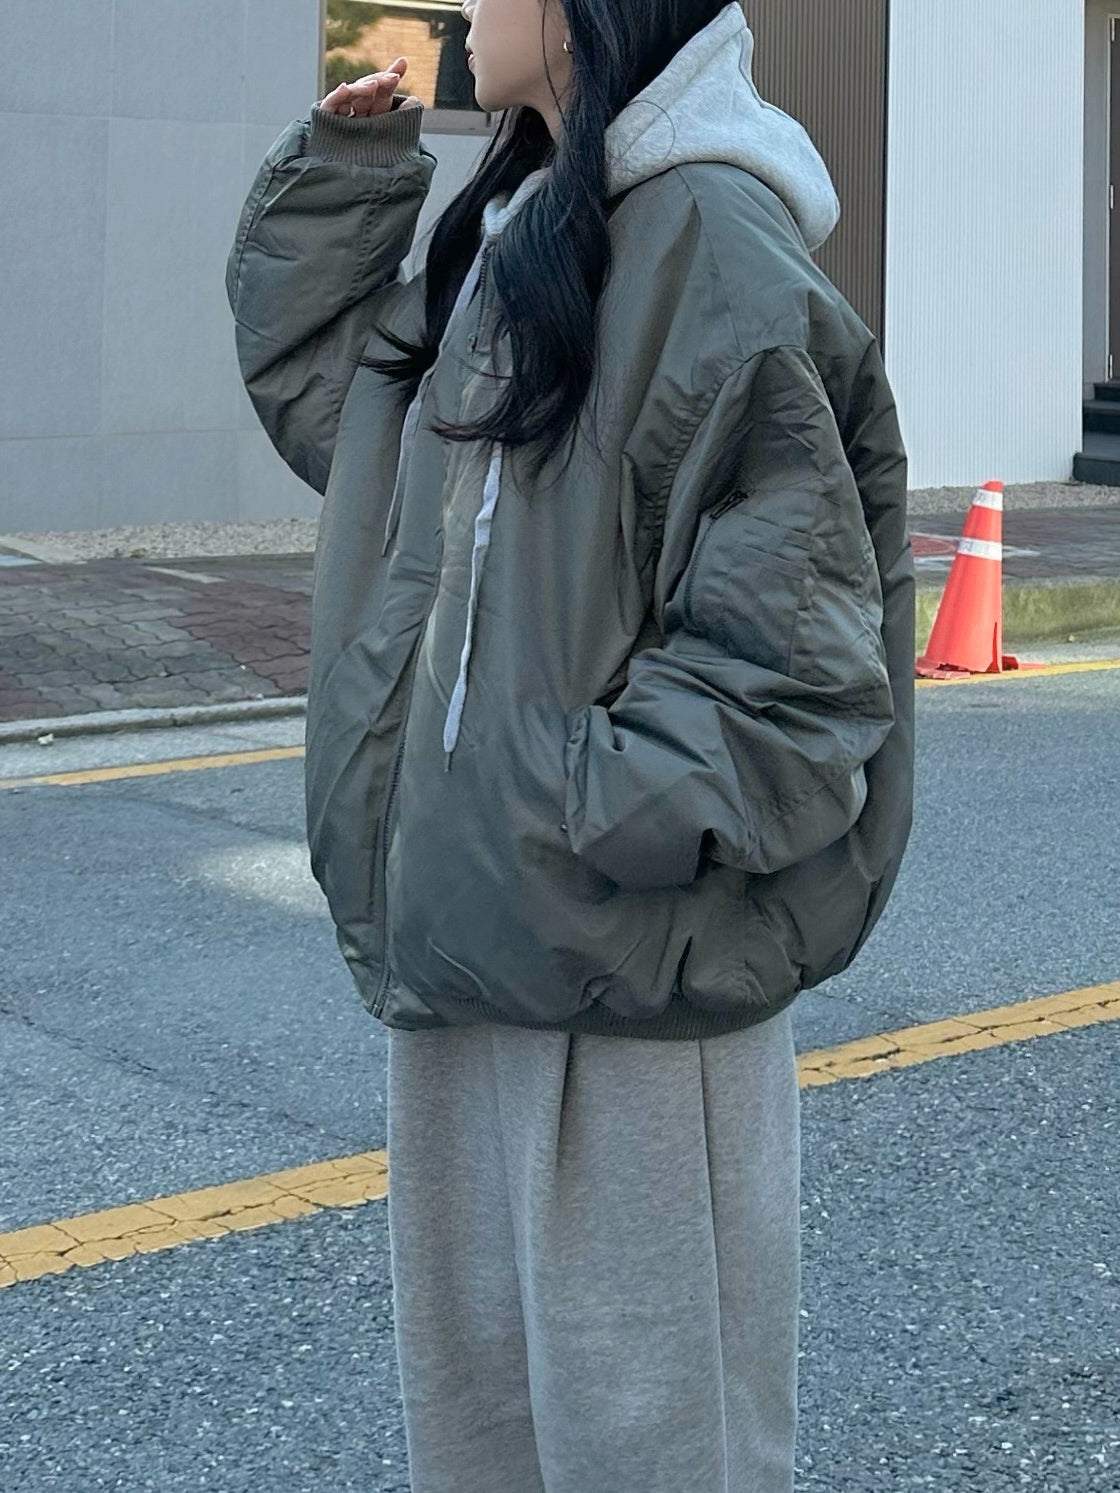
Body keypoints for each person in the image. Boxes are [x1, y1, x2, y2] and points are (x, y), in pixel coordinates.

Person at [226, 1, 915, 1488]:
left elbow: (793, 676)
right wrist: (348, 188)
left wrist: (547, 811)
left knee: (653, 1452)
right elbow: (365, 441)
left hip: (623, 992)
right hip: (477, 956)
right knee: (486, 1442)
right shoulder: (530, 225)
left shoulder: (711, 241)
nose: (462, 4)